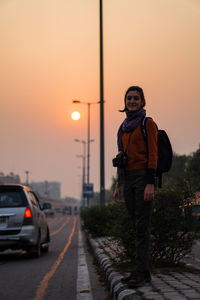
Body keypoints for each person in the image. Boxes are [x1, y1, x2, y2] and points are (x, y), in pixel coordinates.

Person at [113, 85, 158, 287]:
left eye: (136, 98)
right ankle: (142, 271)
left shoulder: (147, 123)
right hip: (128, 179)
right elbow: (122, 159)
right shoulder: (123, 127)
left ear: (142, 101)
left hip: (143, 178)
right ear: (125, 102)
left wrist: (150, 182)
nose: (132, 101)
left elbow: (153, 155)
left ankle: (141, 273)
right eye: (129, 98)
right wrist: (118, 184)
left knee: (142, 226)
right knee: (136, 225)